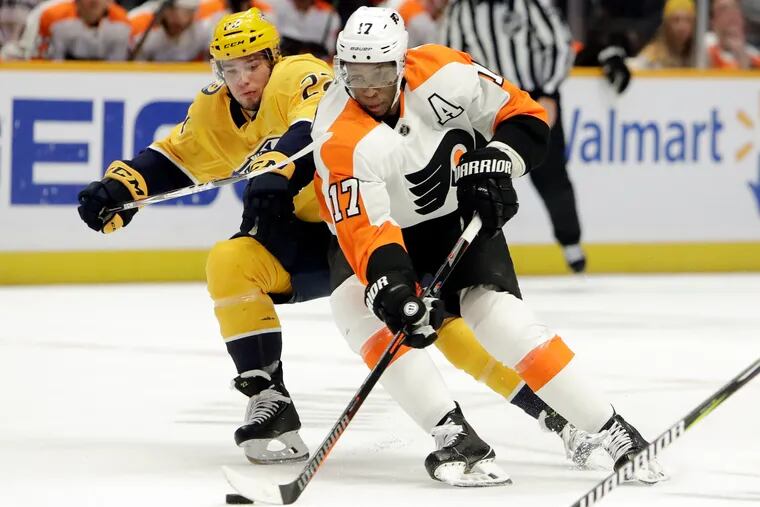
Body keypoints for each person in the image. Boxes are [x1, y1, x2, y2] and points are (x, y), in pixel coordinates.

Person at [74, 6, 589, 474]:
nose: (243, 79)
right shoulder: (216, 108)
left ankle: (556, 415)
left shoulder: (300, 74)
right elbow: (176, 156)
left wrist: (278, 166)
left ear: (273, 58)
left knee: (442, 325)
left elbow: (313, 127)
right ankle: (269, 398)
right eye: (230, 69)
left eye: (252, 65)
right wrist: (121, 189)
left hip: (363, 229)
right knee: (230, 262)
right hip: (308, 243)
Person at [312, 6, 666, 484]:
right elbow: (367, 231)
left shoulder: (445, 72)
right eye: (356, 73)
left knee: (501, 318)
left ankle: (612, 429)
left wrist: (496, 163)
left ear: (401, 62)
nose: (368, 87)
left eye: (379, 72)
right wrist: (393, 288)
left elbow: (525, 116)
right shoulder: (338, 135)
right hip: (383, 236)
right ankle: (452, 434)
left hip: (455, 222)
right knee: (359, 310)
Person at [442, 0, 585, 272]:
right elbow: (451, 59)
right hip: (486, 106)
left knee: (551, 175)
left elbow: (559, 45)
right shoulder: (461, 10)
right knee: (477, 177)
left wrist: (550, 92)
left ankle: (571, 242)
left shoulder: (531, 4)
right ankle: (473, 253)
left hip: (533, 100)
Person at [12, 0, 131, 60]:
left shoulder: (121, 21)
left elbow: (119, 67)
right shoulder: (51, 15)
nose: (94, 1)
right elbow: (38, 59)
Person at [128, 0, 213, 61]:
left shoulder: (204, 22)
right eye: (172, 9)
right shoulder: (138, 23)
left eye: (189, 12)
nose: (181, 19)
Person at [633, 0, 695, 69]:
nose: (682, 27)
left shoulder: (700, 52)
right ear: (666, 24)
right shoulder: (653, 54)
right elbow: (633, 68)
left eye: (688, 20)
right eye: (676, 20)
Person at [706, 0, 760, 69]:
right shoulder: (703, 45)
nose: (730, 15)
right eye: (723, 10)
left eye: (735, 8)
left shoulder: (755, 56)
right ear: (713, 22)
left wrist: (742, 57)